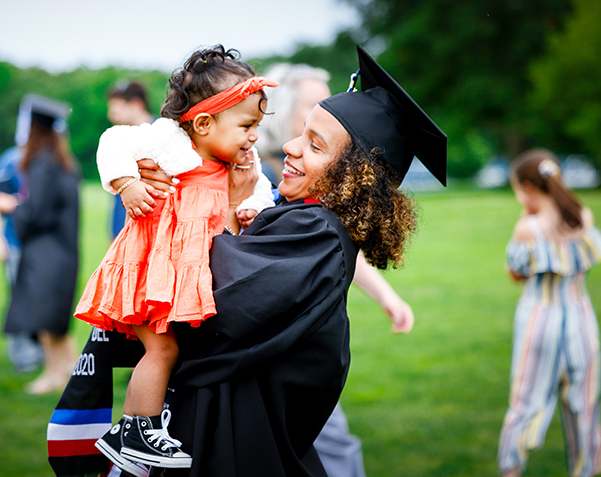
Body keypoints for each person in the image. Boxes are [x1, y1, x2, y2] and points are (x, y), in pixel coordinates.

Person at [47, 44, 446, 477]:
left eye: (314, 145)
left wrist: (205, 209)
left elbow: (217, 302)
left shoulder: (319, 235)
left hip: (231, 443)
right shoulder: (298, 216)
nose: (290, 147)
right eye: (301, 132)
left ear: (354, 176)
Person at [73, 45, 277, 472]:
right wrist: (127, 182)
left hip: (183, 275)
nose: (254, 136)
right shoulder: (168, 142)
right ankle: (135, 428)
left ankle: (137, 429)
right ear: (203, 123)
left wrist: (251, 207)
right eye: (247, 125)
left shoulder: (241, 159)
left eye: (257, 125)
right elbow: (113, 140)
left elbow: (259, 191)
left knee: (174, 351)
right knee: (162, 350)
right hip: (153, 271)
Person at [257, 62, 415, 477]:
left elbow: (331, 245)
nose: (339, 106)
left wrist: (386, 295)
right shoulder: (255, 167)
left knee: (325, 439)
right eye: (314, 103)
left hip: (297, 350)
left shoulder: (319, 208)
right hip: (277, 354)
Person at [498, 149, 601, 477]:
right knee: (585, 404)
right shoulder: (582, 217)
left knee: (525, 404)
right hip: (581, 317)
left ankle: (511, 469)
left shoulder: (528, 228)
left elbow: (516, 273)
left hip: (540, 320)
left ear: (527, 187)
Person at [0, 94, 80, 395]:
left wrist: (11, 207)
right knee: (54, 317)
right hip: (63, 251)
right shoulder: (65, 164)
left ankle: (54, 372)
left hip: (46, 254)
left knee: (46, 318)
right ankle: (64, 369)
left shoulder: (43, 165)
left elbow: (37, 213)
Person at [0, 96, 43, 373]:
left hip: (44, 245)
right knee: (19, 300)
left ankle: (44, 353)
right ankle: (24, 357)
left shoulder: (48, 161)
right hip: (16, 242)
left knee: (43, 299)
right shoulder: (9, 160)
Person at [106, 81, 156, 239]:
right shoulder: (118, 139)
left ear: (136, 105)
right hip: (122, 232)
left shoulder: (162, 138)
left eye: (116, 108)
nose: (111, 114)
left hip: (151, 234)